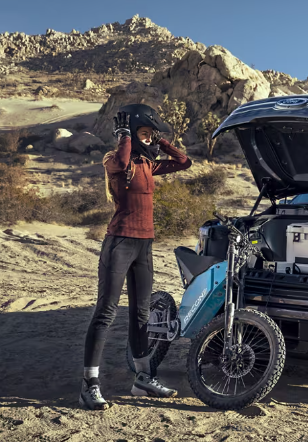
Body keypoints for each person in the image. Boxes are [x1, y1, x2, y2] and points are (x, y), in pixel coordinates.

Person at [80, 104, 192, 410]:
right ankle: (89, 384)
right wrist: (125, 135)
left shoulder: (149, 165)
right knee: (106, 311)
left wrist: (161, 142)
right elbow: (123, 157)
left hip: (144, 245)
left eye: (149, 134)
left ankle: (143, 379)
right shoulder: (116, 161)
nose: (147, 139)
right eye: (143, 133)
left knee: (141, 313)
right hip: (120, 243)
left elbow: (184, 162)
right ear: (128, 134)